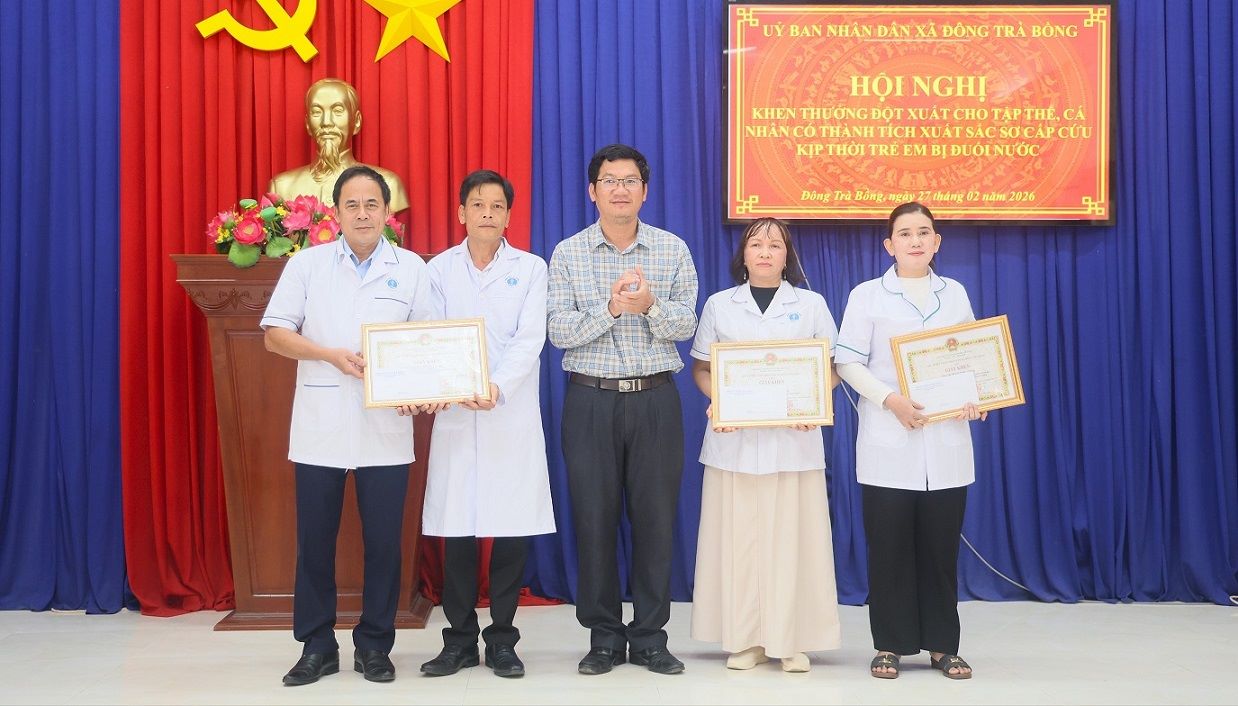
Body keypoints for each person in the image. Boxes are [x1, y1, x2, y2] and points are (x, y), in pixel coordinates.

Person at [261, 165, 433, 686]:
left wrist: (418, 389)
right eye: (352, 205)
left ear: (387, 212)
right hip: (321, 425)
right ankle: (316, 646)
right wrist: (328, 356)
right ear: (335, 213)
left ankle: (375, 646)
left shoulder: (411, 268)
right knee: (315, 543)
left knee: (383, 545)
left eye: (371, 204)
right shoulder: (307, 265)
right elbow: (275, 334)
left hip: (386, 428)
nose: (362, 214)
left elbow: (428, 341)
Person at [546, 143, 699, 676]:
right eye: (609, 181)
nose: (620, 189)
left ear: (644, 191)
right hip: (590, 400)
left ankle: (651, 637)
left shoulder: (672, 249)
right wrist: (610, 308)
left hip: (655, 399)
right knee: (594, 519)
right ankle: (604, 637)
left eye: (630, 180)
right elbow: (558, 331)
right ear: (593, 191)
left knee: (656, 521)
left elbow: (687, 325)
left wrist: (651, 304)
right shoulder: (568, 253)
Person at [834, 201, 986, 680]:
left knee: (940, 550)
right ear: (889, 245)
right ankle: (890, 645)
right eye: (905, 233)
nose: (915, 240)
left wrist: (978, 396)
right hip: (889, 437)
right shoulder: (866, 296)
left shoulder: (954, 293)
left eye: (924, 232)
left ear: (936, 242)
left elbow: (973, 357)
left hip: (945, 438)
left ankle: (943, 646)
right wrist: (890, 400)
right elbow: (847, 362)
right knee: (890, 548)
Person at [416, 170, 555, 679]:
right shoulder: (438, 270)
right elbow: (430, 333)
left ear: (509, 216)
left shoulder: (531, 268)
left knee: (510, 527)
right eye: (478, 205)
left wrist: (496, 386)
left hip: (508, 413)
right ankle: (457, 641)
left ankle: (502, 639)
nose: (488, 214)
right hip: (455, 412)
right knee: (458, 528)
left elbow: (530, 338)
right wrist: (453, 384)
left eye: (497, 206)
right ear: (462, 213)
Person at [688, 217, 843, 673]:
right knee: (739, 542)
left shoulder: (810, 304)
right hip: (733, 444)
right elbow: (702, 369)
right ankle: (745, 640)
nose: (765, 251)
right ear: (744, 253)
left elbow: (833, 367)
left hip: (794, 443)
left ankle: (792, 641)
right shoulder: (720, 305)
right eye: (756, 243)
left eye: (775, 245)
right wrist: (722, 402)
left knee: (794, 541)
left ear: (786, 255)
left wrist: (813, 402)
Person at [268, 77, 410, 212]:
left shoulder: (387, 184)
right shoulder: (281, 187)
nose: (326, 122)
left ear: (356, 122)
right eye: (316, 112)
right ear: (308, 124)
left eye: (337, 111)